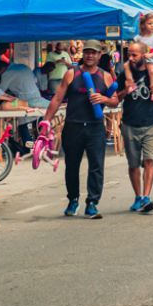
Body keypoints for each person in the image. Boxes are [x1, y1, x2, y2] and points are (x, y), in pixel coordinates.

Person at [42, 40, 120, 219]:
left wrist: (103, 99)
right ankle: (73, 199)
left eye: (94, 52)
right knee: (71, 166)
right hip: (73, 126)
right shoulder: (72, 74)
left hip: (95, 128)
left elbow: (115, 100)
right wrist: (46, 121)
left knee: (96, 166)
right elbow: (57, 99)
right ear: (82, 54)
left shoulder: (105, 76)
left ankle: (92, 203)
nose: (90, 55)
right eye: (87, 52)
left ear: (100, 55)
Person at [118, 42, 153, 213]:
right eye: (129, 55)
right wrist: (125, 91)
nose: (131, 58)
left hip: (151, 123)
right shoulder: (124, 73)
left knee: (149, 160)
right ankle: (138, 196)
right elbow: (116, 97)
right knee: (133, 164)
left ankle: (146, 197)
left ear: (144, 54)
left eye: (135, 55)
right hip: (130, 124)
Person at [128, 13, 153, 103]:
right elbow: (132, 48)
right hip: (139, 59)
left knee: (152, 71)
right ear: (143, 24)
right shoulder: (138, 38)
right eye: (149, 23)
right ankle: (131, 84)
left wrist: (151, 55)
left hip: (150, 59)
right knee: (127, 66)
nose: (152, 26)